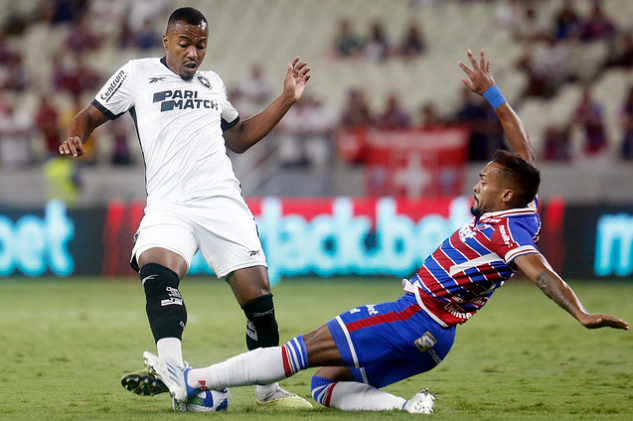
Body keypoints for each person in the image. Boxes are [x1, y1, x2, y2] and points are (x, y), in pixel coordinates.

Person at [143, 50, 629, 414]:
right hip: (438, 338)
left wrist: (580, 312)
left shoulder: (512, 237)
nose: (477, 184)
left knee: (298, 352)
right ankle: (403, 407)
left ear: (505, 196)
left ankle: (194, 381)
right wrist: (493, 94)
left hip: (410, 318)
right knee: (324, 385)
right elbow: (522, 145)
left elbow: (541, 273)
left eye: (485, 181)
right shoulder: (526, 206)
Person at [58, 7, 312, 411]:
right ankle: (175, 374)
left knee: (258, 299)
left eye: (201, 45)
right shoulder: (136, 74)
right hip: (169, 203)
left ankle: (267, 391)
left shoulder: (213, 84)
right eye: (185, 44)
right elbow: (89, 115)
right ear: (166, 41)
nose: (193, 53)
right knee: (157, 271)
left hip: (221, 201)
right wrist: (75, 136)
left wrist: (286, 98)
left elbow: (241, 137)